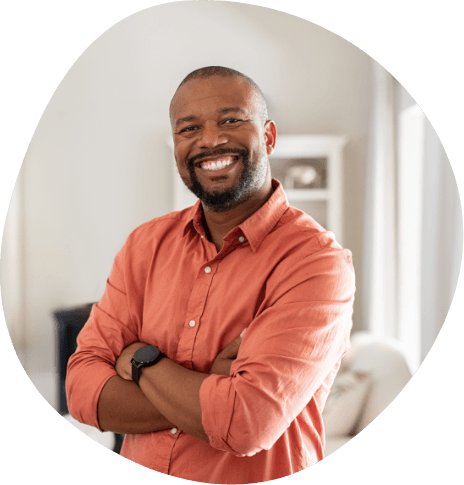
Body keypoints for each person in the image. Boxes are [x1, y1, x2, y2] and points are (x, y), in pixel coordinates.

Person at [66, 66, 355, 484]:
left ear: (269, 136)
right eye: (189, 128)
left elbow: (246, 422)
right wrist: (210, 386)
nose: (210, 140)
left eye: (231, 120)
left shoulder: (316, 263)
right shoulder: (144, 246)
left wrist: (143, 363)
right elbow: (81, 390)